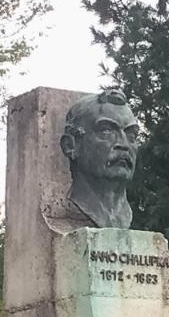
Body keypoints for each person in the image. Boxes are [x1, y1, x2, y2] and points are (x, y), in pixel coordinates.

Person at [57, 89, 138, 229]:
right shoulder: (65, 213)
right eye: (106, 131)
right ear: (70, 145)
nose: (124, 144)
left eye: (131, 135)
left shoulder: (125, 216)